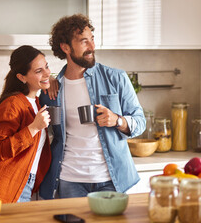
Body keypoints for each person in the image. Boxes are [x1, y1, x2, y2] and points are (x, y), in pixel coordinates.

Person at [39, 14, 146, 199]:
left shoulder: (116, 78)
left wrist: (117, 120)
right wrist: (48, 79)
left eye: (92, 39)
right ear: (65, 47)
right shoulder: (53, 89)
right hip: (69, 180)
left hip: (110, 180)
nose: (92, 47)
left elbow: (140, 122)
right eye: (83, 42)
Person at [0, 45, 52, 203]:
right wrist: (33, 128)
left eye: (47, 66)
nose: (47, 73)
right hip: (0, 190)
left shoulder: (36, 102)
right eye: (39, 71)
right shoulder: (12, 104)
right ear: (22, 77)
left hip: (23, 186)